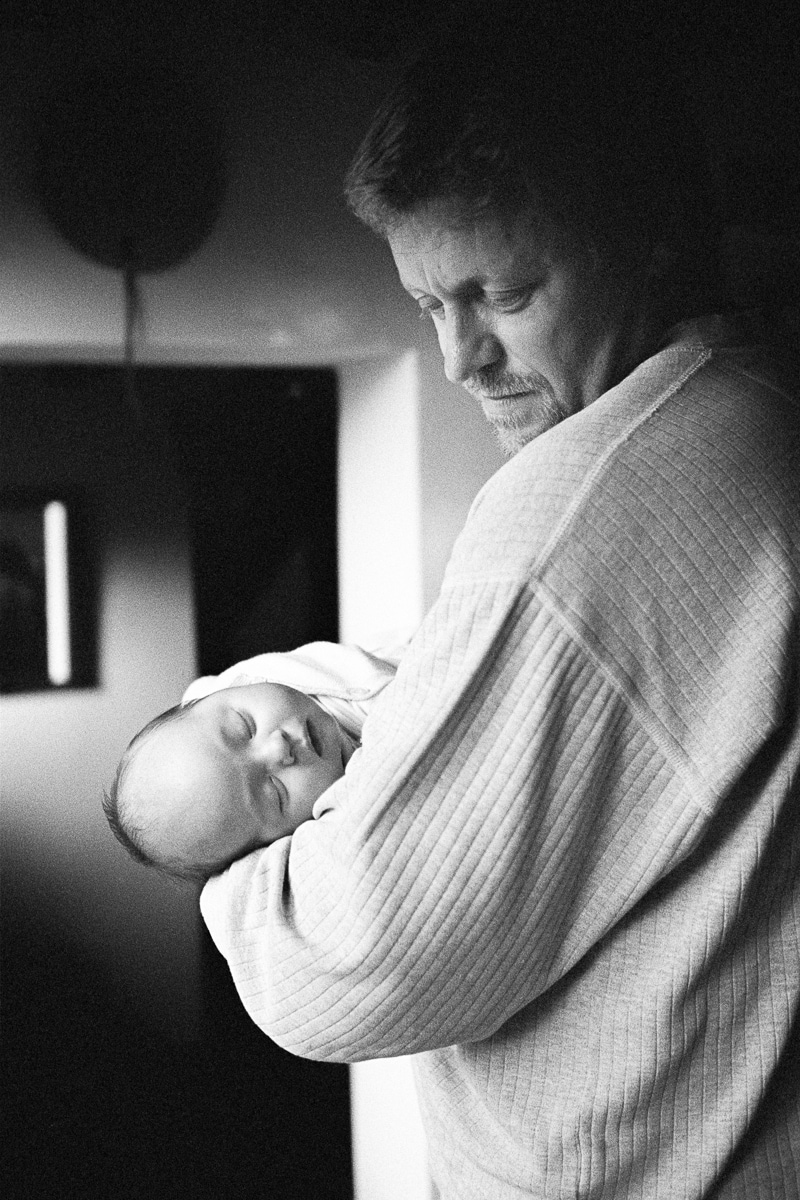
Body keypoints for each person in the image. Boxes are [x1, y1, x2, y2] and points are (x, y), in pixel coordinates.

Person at [197, 29, 800, 1199]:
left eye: (503, 295)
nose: (459, 356)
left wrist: (222, 868)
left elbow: (340, 973)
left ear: (652, 239)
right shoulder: (761, 397)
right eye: (427, 301)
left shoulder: (576, 505)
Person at [103, 642, 397, 882]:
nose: (278, 748)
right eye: (275, 792)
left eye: (244, 727)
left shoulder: (257, 679)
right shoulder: (353, 800)